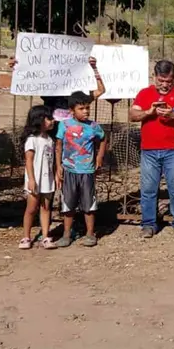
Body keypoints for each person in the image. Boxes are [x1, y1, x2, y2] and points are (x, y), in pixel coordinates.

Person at [129, 60, 174, 238]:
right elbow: (133, 115)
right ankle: (148, 224)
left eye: (169, 81)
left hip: (173, 149)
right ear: (154, 77)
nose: (165, 85)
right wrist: (148, 112)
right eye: (161, 80)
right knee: (148, 189)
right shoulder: (144, 93)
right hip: (149, 150)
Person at [55, 91, 107, 248]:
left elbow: (103, 139)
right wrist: (58, 166)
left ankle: (90, 234)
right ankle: (66, 234)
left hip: (87, 171)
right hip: (69, 170)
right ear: (72, 110)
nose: (85, 111)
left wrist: (99, 157)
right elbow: (58, 145)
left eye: (87, 108)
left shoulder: (93, 126)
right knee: (68, 203)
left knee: (88, 204)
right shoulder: (64, 125)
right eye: (81, 108)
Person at [7, 55, 106, 121]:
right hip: (52, 129)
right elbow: (31, 79)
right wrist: (19, 66)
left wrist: (94, 68)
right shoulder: (51, 90)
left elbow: (100, 90)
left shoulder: (79, 96)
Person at [18, 105, 57, 250]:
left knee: (46, 207)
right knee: (31, 208)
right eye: (49, 118)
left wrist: (55, 175)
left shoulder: (50, 140)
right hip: (35, 179)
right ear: (39, 119)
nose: (53, 121)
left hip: (47, 179)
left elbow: (51, 160)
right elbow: (29, 160)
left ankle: (45, 236)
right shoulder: (32, 140)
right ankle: (26, 237)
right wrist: (32, 179)